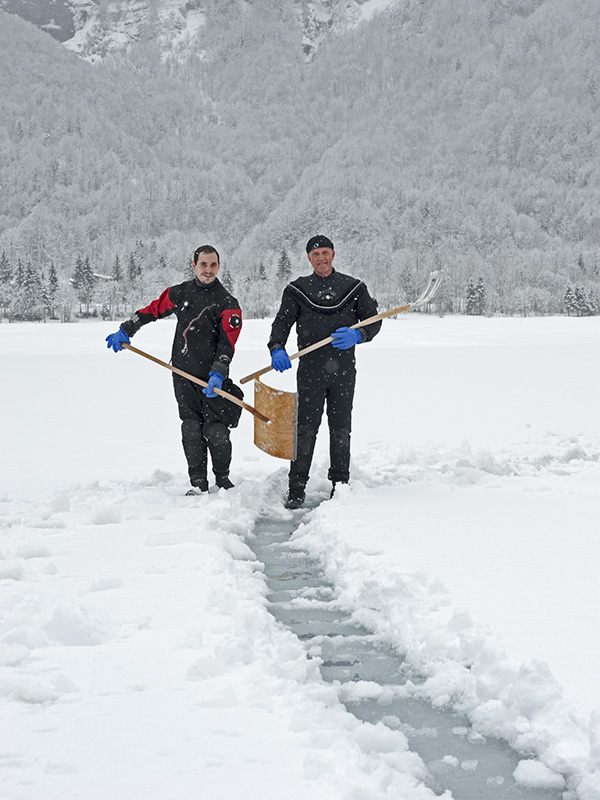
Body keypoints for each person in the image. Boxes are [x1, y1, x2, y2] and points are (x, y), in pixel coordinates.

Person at [105, 245, 242, 495]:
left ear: (219, 266)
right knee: (190, 427)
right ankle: (198, 483)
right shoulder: (180, 293)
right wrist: (127, 328)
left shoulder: (228, 303)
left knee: (216, 430)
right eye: (203, 264)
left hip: (213, 379)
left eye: (213, 265)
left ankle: (223, 479)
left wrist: (219, 372)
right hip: (182, 373)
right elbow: (152, 310)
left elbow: (227, 342)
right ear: (194, 265)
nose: (208, 270)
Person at [268, 234, 381, 509]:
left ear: (333, 254)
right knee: (305, 430)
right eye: (315, 253)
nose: (321, 258)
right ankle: (296, 488)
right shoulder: (297, 289)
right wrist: (276, 347)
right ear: (309, 258)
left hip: (343, 371)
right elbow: (281, 324)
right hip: (310, 371)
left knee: (341, 429)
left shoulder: (354, 287)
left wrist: (360, 335)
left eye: (325, 252)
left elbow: (374, 322)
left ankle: (340, 485)